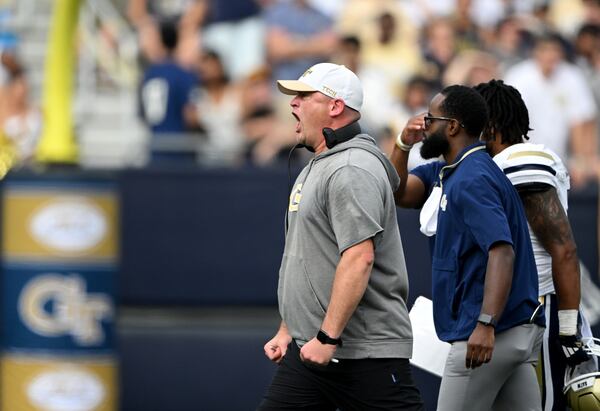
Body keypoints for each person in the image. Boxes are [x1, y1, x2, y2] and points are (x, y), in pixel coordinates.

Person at [258, 62, 423, 410]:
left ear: (335, 107)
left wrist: (327, 337)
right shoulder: (322, 162)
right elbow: (310, 257)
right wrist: (290, 327)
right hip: (312, 350)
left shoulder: (351, 168)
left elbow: (359, 258)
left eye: (304, 96)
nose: (293, 104)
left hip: (364, 354)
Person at [391, 85, 545, 411]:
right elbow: (398, 192)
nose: (424, 124)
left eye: (431, 118)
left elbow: (502, 250)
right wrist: (403, 143)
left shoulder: (472, 176)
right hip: (513, 334)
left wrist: (486, 323)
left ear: (453, 126)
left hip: (487, 334)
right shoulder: (455, 170)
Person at [474, 79, 595, 411]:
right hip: (510, 308)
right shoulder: (490, 164)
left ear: (492, 124)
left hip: (534, 306)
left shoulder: (521, 159)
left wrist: (568, 329)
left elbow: (563, 247)